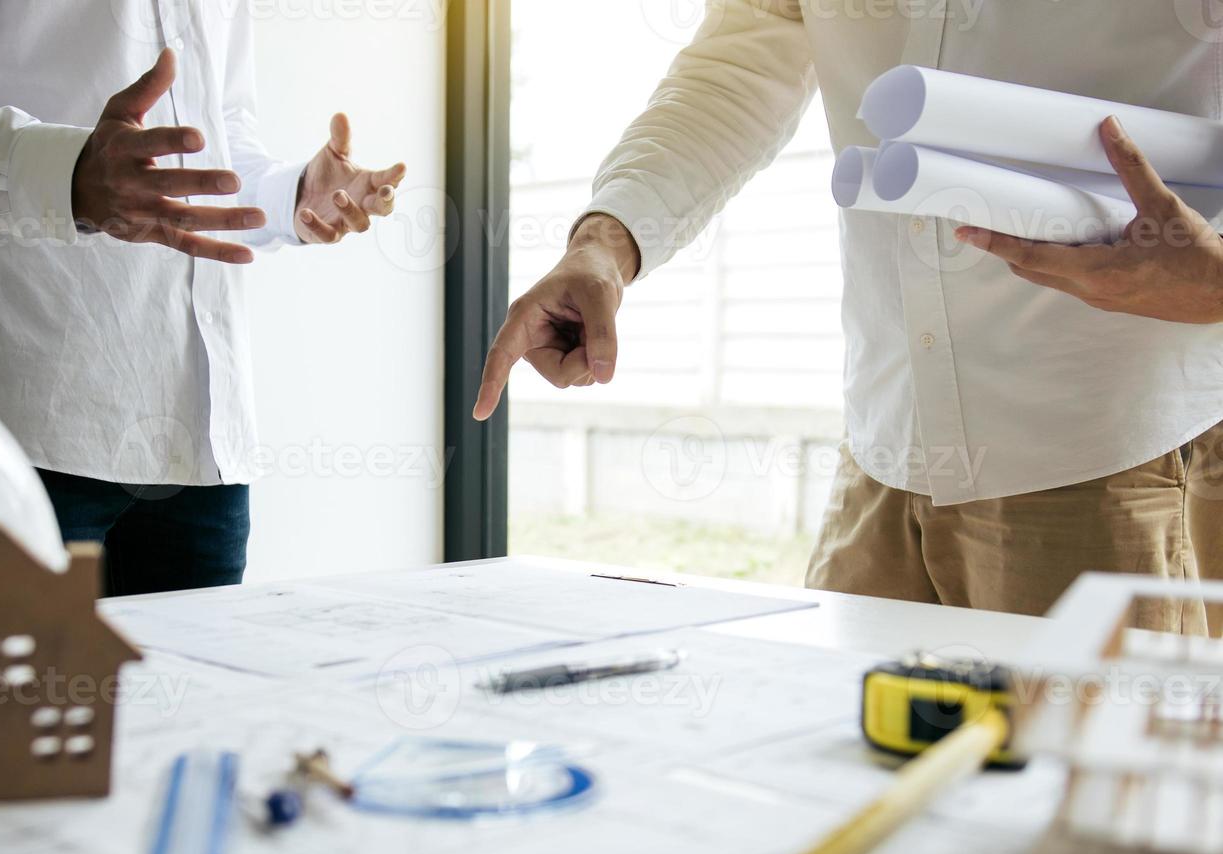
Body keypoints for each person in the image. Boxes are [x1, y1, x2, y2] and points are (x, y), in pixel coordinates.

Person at [473, 1, 1223, 633]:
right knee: (842, 789)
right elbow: (740, 68)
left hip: (1118, 455)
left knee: (1094, 800)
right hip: (884, 456)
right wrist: (606, 244)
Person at [0, 3, 404, 596]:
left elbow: (216, 133)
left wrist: (290, 194)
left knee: (209, 689)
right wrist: (67, 173)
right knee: (20, 692)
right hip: (22, 427)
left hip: (201, 437)